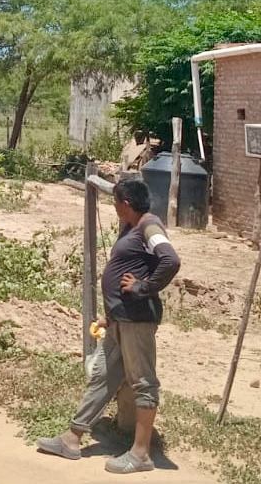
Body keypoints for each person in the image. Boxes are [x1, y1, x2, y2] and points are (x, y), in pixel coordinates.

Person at [37, 177, 181, 475]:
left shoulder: (149, 226)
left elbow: (170, 260)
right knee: (103, 375)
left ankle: (140, 454)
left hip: (137, 321)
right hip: (120, 320)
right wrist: (109, 315)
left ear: (125, 204)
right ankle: (72, 438)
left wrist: (144, 287)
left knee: (143, 383)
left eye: (115, 202)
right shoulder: (132, 226)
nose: (113, 206)